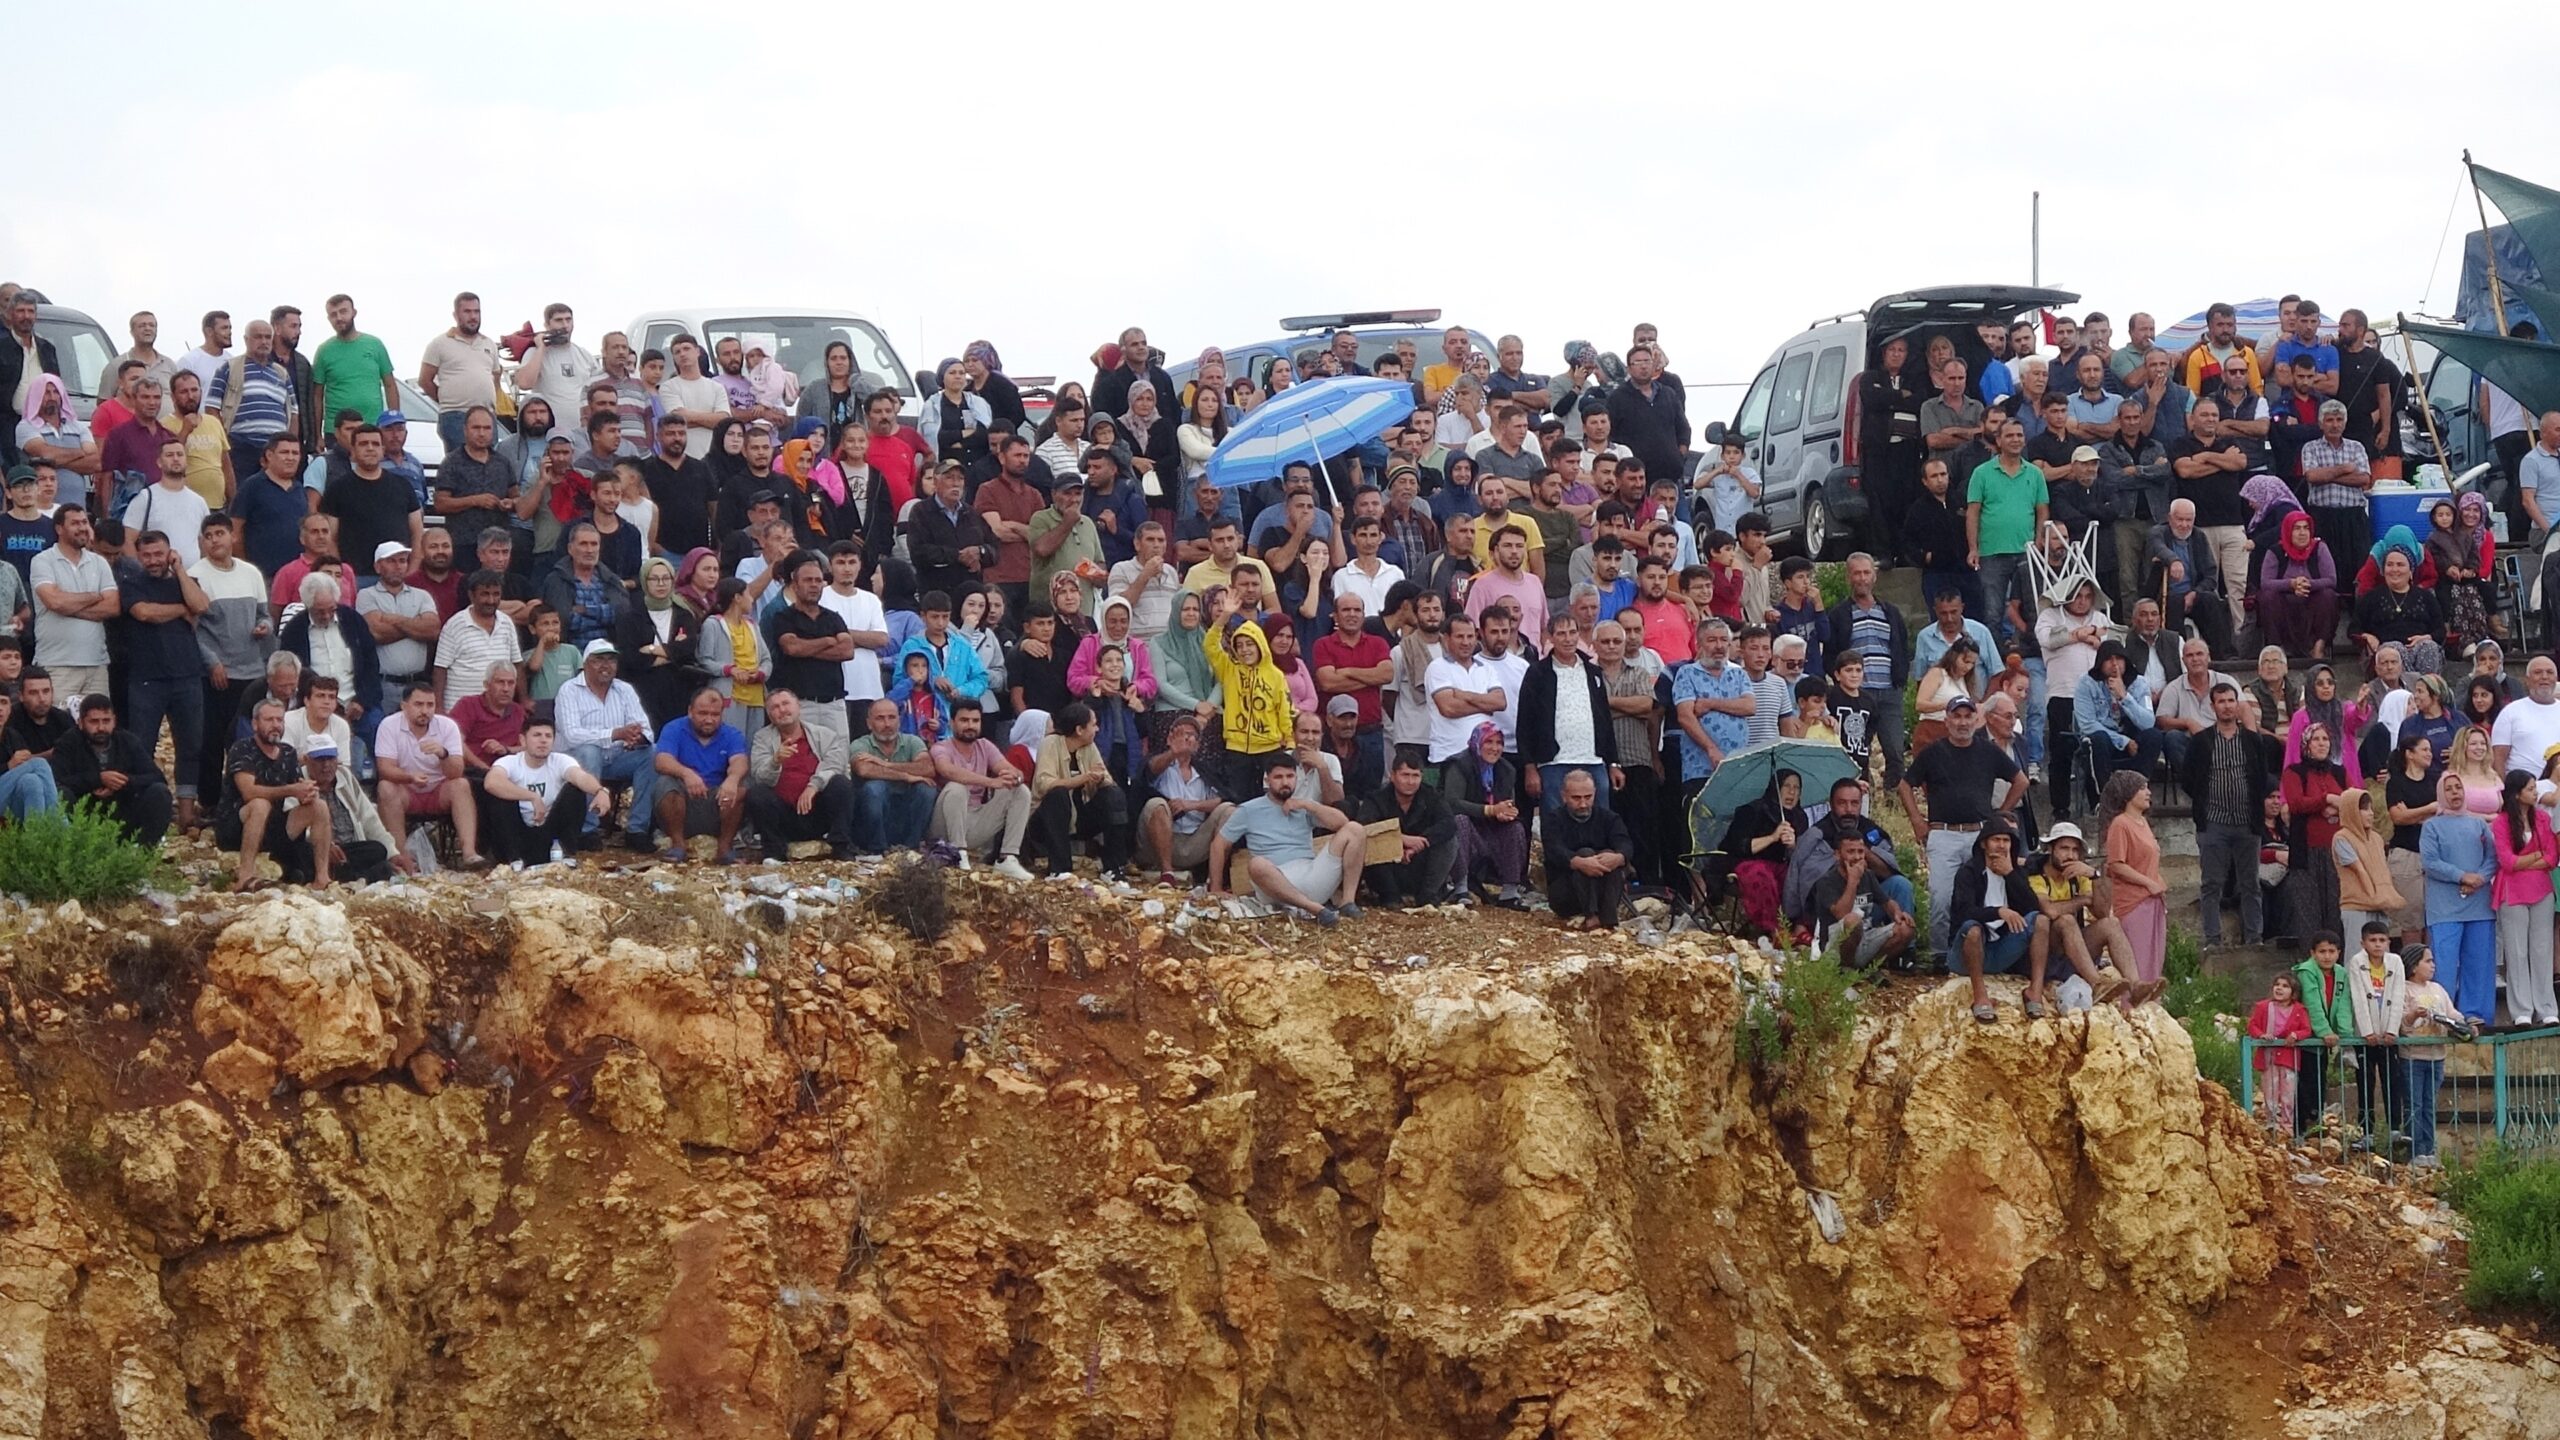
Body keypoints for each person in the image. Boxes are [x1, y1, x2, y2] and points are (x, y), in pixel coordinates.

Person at [1898, 693, 2028, 953]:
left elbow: (2021, 780)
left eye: (1968, 716)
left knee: (1983, 895)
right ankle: (1940, 955)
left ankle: (1980, 952)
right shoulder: (1933, 753)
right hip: (1943, 834)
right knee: (1941, 899)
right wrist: (1916, 821)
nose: (1962, 722)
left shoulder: (1988, 751)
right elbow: (1904, 784)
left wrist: (2000, 816)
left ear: (1976, 720)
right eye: (1956, 716)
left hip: (1979, 835)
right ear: (1946, 721)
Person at [1209, 751, 1367, 925]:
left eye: (1290, 776)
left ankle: (1347, 902)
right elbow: (1219, 844)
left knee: (1355, 829)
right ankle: (1316, 910)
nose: (1285, 782)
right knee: (1256, 864)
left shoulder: (1302, 806)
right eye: (1278, 777)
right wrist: (1216, 887)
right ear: (1267, 780)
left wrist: (1307, 804)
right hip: (1275, 884)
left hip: (1311, 874)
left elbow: (1341, 822)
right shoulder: (1248, 810)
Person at [372, 681, 488, 868]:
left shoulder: (447, 726)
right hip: (406, 790)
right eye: (418, 704)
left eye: (430, 705)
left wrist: (443, 754)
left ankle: (469, 853)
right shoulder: (389, 725)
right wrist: (409, 778)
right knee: (385, 787)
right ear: (404, 706)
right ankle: (401, 857)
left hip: (438, 791)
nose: (425, 711)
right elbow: (385, 768)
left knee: (461, 785)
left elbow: (456, 771)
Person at [1947, 819, 2051, 1023]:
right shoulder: (1968, 873)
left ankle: (2034, 992)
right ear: (1984, 843)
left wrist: (2011, 874)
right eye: (1996, 840)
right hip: (1967, 953)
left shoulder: (2014, 871)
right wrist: (1999, 912)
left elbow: (2032, 906)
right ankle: (1980, 997)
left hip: (2000, 951)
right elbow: (1964, 912)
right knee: (1973, 929)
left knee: (2041, 921)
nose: (2002, 845)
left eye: (2006, 840)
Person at [740, 688, 857, 861]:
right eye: (775, 707)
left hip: (817, 809)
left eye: (786, 704)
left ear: (798, 707)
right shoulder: (762, 738)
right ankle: (774, 852)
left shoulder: (825, 734)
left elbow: (835, 765)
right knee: (757, 794)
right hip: (784, 814)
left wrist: (813, 786)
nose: (782, 710)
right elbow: (759, 777)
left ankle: (840, 847)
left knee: (840, 783)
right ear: (770, 715)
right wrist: (775, 761)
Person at [2420, 770, 2497, 1027]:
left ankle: (2475, 1014)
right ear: (2441, 793)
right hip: (2445, 908)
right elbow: (2430, 862)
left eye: (2458, 787)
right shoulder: (2431, 826)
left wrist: (2480, 878)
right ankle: (2444, 1015)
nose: (2455, 793)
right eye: (2449, 788)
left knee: (2479, 963)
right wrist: (2462, 876)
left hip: (2479, 904)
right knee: (2443, 962)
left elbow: (2492, 857)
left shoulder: (2479, 824)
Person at [485, 715, 611, 865]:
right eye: (537, 735)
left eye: (548, 736)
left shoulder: (560, 760)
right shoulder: (509, 762)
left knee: (574, 790)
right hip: (515, 835)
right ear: (523, 740)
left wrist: (600, 791)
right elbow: (491, 783)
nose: (543, 740)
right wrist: (532, 797)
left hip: (550, 838)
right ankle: (513, 859)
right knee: (499, 795)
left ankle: (566, 854)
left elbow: (580, 777)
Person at [47, 695, 171, 846]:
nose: (101, 728)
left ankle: (144, 851)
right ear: (80, 723)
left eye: (106, 721)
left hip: (122, 811)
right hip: (84, 814)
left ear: (114, 721)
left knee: (159, 792)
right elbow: (56, 781)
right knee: (61, 795)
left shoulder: (127, 740)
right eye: (94, 722)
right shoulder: (68, 743)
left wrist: (123, 782)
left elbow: (156, 777)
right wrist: (97, 780)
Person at [1029, 701, 1133, 878]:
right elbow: (1044, 784)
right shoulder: (1050, 743)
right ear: (1079, 730)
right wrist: (1082, 778)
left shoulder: (1089, 746)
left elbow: (1106, 777)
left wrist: (1100, 779)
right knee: (1058, 794)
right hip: (1046, 820)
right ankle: (1060, 870)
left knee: (1114, 794)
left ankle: (1114, 868)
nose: (1097, 729)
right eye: (1093, 724)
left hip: (1080, 817)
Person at [649, 687, 748, 863]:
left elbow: (740, 761)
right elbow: (662, 760)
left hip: (716, 801)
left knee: (742, 786)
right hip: (683, 802)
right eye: (702, 713)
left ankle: (725, 848)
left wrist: (732, 780)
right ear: (690, 711)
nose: (709, 720)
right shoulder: (674, 728)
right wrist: (686, 774)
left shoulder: (732, 734)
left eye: (715, 714)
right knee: (665, 784)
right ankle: (678, 845)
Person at [2493, 771, 2560, 1026]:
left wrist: (2525, 860)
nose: (2535, 793)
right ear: (2517, 793)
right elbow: (2507, 862)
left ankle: (2547, 1008)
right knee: (2517, 951)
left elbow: (2552, 857)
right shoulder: (2501, 822)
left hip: (2541, 889)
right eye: (2531, 789)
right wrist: (2535, 856)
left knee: (2542, 949)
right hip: (2513, 891)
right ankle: (2521, 1010)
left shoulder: (2542, 818)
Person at [2094, 771, 2169, 989]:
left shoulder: (2143, 822)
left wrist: (2158, 883)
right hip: (2133, 901)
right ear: (2128, 793)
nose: (2148, 792)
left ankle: (2151, 1005)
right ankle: (2132, 1005)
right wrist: (2148, 882)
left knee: (2154, 957)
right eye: (2142, 788)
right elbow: (2116, 864)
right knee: (2139, 957)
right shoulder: (2120, 824)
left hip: (2153, 898)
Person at [1356, 751, 1459, 909]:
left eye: (1415, 776)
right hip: (1387, 869)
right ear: (1393, 775)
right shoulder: (1376, 798)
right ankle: (1390, 897)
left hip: (1419, 864)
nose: (1410, 781)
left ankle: (1427, 895)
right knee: (1371, 840)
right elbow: (1365, 825)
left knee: (1450, 841)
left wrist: (1422, 842)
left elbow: (1448, 823)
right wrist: (1401, 840)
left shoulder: (1431, 796)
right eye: (1405, 775)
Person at [1443, 721, 1530, 907]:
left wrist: (1507, 812)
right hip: (1468, 831)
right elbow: (1452, 802)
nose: (1494, 748)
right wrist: (1490, 810)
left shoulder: (1506, 769)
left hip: (1492, 831)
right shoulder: (1460, 764)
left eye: (1499, 743)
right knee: (1460, 821)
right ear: (1477, 742)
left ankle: (1510, 892)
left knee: (1515, 828)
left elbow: (1506, 803)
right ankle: (1460, 888)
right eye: (1489, 742)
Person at [2280, 723, 2348, 946]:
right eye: (2316, 739)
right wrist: (2326, 800)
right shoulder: (2294, 772)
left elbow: (2354, 801)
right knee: (2309, 912)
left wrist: (2338, 805)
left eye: (2325, 739)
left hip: (2337, 852)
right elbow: (2297, 803)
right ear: (2306, 745)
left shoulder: (2339, 772)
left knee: (2335, 910)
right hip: (2306, 852)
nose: (2321, 743)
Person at [1720, 769, 1807, 938]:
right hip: (1747, 862)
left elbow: (1802, 856)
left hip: (1780, 865)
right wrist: (1773, 837)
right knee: (1760, 874)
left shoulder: (1799, 817)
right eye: (1786, 786)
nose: (1792, 792)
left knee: (1802, 875)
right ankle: (1775, 930)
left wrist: (1793, 845)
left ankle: (1801, 927)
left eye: (1797, 788)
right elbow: (1740, 846)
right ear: (1776, 788)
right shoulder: (1752, 810)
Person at [1543, 769, 1634, 931]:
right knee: (1585, 853)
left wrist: (1618, 858)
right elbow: (1554, 850)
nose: (1583, 804)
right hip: (1567, 893)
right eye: (1576, 798)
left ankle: (1607, 918)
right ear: (1564, 796)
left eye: (1588, 797)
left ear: (1595, 794)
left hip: (1604, 888)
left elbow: (1626, 844)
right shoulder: (1553, 820)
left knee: (1609, 854)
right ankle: (1591, 916)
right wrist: (1579, 862)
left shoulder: (1609, 818)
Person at [846, 697, 935, 853]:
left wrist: (886, 765)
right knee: (875, 788)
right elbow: (865, 770)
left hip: (905, 813)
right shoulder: (860, 744)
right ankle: (877, 850)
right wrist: (906, 776)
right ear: (869, 723)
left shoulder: (912, 741)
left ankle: (910, 849)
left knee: (926, 789)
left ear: (899, 721)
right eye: (880, 718)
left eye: (891, 717)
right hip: (872, 817)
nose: (887, 724)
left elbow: (927, 768)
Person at [2399, 952, 2460, 1167]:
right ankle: (2415, 1151)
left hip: (2437, 1055)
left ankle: (2429, 1149)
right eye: (2427, 961)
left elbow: (2452, 1013)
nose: (2433, 965)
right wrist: (2414, 1015)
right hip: (2413, 1057)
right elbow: (2402, 1023)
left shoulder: (2437, 989)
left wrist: (2465, 1024)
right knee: (2414, 1104)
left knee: (2429, 1104)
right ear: (2414, 966)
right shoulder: (2404, 989)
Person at [2334, 788, 2408, 950]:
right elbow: (2359, 870)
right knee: (2357, 956)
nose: (2371, 814)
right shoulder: (2342, 837)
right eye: (2365, 809)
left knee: (2382, 956)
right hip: (2356, 906)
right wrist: (2376, 896)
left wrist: (2385, 897)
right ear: (2352, 811)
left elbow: (2382, 871)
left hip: (2379, 905)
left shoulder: (2377, 838)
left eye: (2371, 809)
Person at [2248, 973, 2314, 1135]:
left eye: (2285, 986)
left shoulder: (2299, 1010)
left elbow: (2306, 1029)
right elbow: (2252, 1026)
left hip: (2288, 1059)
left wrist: (2295, 1035)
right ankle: (2272, 1125)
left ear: (2293, 992)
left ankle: (2287, 1127)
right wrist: (2261, 1035)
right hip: (2268, 1058)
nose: (2280, 988)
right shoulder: (2263, 1007)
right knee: (2270, 1092)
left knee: (2288, 1094)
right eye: (2277, 984)